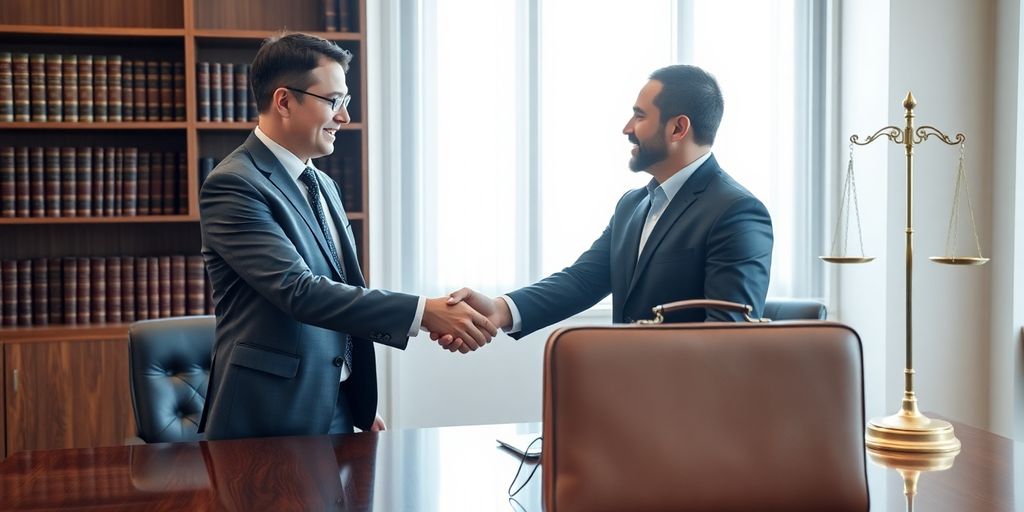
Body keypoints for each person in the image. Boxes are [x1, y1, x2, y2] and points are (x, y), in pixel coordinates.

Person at [198, 33, 496, 440]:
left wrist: (351, 398)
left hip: (333, 407)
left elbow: (341, 292)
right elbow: (298, 291)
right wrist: (423, 311)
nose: (344, 117)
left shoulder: (323, 184)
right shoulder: (234, 184)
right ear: (284, 101)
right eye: (333, 101)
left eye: (346, 102)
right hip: (265, 417)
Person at [437, 65, 772, 351]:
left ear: (677, 128)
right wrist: (497, 310)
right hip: (624, 398)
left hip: (688, 412)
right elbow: (583, 281)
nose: (627, 128)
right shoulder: (633, 205)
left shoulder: (736, 211)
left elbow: (728, 338)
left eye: (640, 116)